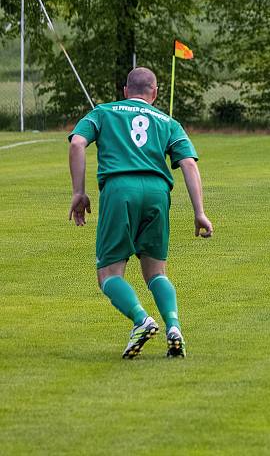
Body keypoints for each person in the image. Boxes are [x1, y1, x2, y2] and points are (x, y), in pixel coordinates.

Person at [68, 67, 213, 358]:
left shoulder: (103, 112)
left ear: (125, 90)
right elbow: (189, 164)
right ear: (155, 93)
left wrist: (79, 192)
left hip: (120, 189)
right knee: (156, 272)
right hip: (158, 192)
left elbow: (77, 143)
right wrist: (200, 212)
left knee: (109, 273)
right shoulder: (168, 121)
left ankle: (141, 320)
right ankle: (174, 327)